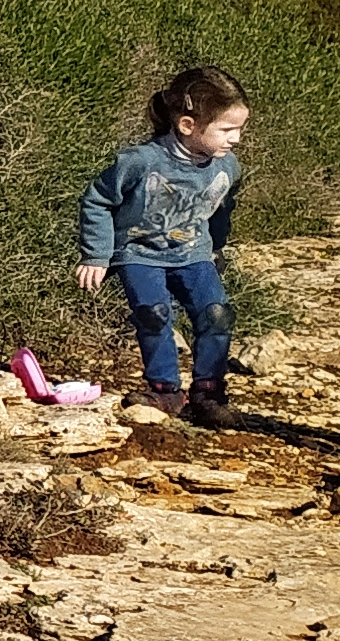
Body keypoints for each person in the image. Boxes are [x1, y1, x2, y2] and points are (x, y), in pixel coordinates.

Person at [75, 65, 251, 424]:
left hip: (194, 253)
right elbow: (97, 200)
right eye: (227, 129)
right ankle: (164, 391)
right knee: (153, 314)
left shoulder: (227, 167)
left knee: (216, 313)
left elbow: (222, 208)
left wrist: (216, 247)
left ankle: (208, 393)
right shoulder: (141, 161)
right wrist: (97, 254)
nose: (236, 139)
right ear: (188, 125)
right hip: (140, 253)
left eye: (240, 129)